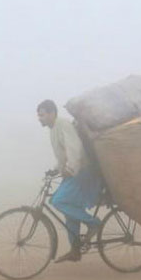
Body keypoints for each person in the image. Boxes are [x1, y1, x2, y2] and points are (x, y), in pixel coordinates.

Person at [37, 99, 103, 262]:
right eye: (39, 116)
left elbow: (75, 149)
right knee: (69, 209)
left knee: (59, 201)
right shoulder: (53, 129)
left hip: (83, 172)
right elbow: (62, 156)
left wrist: (71, 169)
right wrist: (55, 169)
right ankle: (75, 249)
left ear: (52, 113)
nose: (40, 118)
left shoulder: (63, 125)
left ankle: (93, 223)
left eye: (42, 115)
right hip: (75, 172)